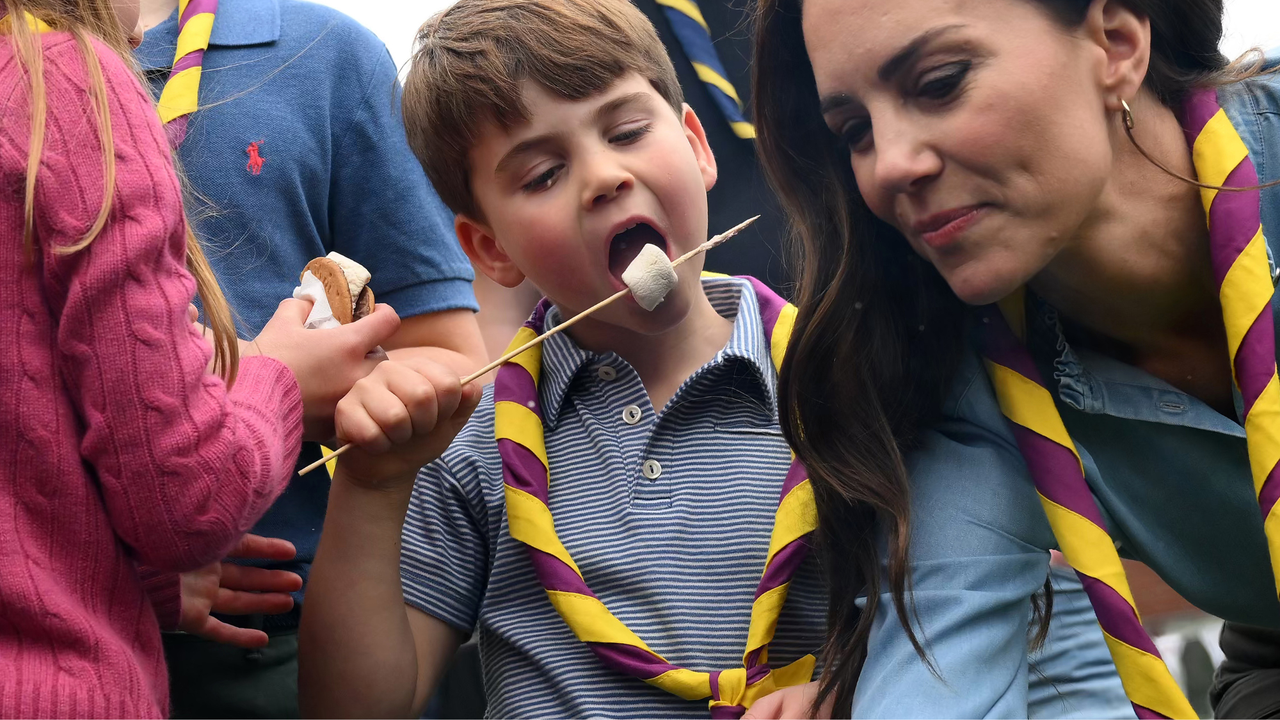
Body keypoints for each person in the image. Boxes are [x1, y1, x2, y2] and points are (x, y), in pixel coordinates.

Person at [297, 1, 1133, 718]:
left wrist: (856, 694)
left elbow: (968, 619)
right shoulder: (468, 445)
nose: (603, 178)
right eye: (544, 174)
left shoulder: (850, 377)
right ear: (491, 249)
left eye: (626, 130)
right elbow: (361, 704)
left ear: (697, 146)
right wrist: (372, 488)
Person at [749, 0, 1280, 716]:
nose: (891, 166)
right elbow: (937, 674)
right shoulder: (969, 392)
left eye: (939, 82)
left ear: (1115, 42)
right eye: (855, 131)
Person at [0, 0, 400, 714]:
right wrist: (277, 377)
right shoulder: (67, 83)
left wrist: (121, 578)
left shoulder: (336, 55)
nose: (141, 29)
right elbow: (185, 498)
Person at [130, 0, 487, 714]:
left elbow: (449, 359)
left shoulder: (324, 55)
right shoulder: (31, 77)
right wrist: (119, 566)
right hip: (51, 624)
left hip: (283, 642)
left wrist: (359, 403)